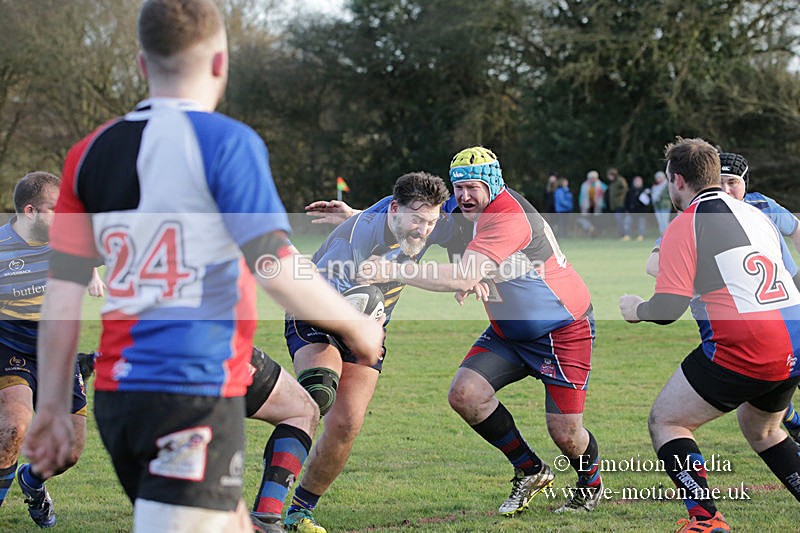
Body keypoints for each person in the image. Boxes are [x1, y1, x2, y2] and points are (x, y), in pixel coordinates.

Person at [21, 2, 383, 532]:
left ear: (142, 65)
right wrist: (356, 325)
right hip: (190, 393)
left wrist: (52, 405)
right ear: (221, 63)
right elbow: (274, 265)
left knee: (243, 507)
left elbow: (63, 294)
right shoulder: (227, 142)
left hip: (123, 398)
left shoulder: (87, 153)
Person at [359, 147, 604, 516]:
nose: (463, 196)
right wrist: (355, 217)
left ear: (493, 183)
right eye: (458, 187)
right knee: (465, 395)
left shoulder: (508, 217)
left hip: (562, 330)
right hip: (509, 332)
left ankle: (591, 486)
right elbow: (419, 221)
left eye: (472, 186)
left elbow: (463, 273)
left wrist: (395, 271)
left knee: (566, 434)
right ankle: (530, 471)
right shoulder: (462, 213)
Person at [619, 138, 800, 532]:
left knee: (667, 422)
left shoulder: (687, 223)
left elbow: (668, 309)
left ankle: (705, 519)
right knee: (764, 429)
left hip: (749, 344)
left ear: (677, 180)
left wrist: (636, 310)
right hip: (794, 338)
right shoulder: (758, 215)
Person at [282, 171, 451, 533]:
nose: (424, 230)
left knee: (346, 424)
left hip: (368, 322)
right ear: (395, 210)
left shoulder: (408, 218)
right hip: (318, 312)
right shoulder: (354, 244)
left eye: (431, 222)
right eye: (417, 220)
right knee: (319, 393)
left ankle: (299, 513)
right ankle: (267, 496)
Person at [0, 171, 104, 528]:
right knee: (14, 426)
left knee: (69, 452)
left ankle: (32, 482)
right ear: (30, 212)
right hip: (11, 348)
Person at [577, 170, 605, 237]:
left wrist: (603, 204)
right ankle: (590, 233)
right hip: (587, 206)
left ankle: (598, 233)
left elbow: (605, 193)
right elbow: (582, 196)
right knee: (588, 220)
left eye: (594, 177)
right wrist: (581, 204)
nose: (593, 179)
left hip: (597, 206)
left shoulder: (600, 184)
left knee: (597, 220)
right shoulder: (584, 185)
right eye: (591, 178)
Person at [623, 175, 648, 241]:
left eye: (639, 181)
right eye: (636, 181)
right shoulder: (630, 191)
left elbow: (647, 203)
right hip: (631, 211)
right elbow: (626, 201)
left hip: (641, 212)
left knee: (641, 224)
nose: (637, 183)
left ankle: (641, 235)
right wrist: (626, 210)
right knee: (627, 223)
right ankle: (627, 235)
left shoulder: (645, 191)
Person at [606, 167, 628, 238]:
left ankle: (624, 234)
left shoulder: (620, 180)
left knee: (620, 220)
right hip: (615, 205)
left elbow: (625, 189)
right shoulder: (612, 183)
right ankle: (621, 234)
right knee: (618, 220)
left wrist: (617, 195)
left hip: (620, 204)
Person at [650, 170, 672, 236]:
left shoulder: (667, 185)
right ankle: (662, 235)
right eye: (657, 177)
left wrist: (661, 197)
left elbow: (670, 195)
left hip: (665, 205)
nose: (658, 179)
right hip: (657, 206)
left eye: (659, 177)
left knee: (665, 221)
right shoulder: (654, 186)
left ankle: (667, 235)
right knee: (660, 222)